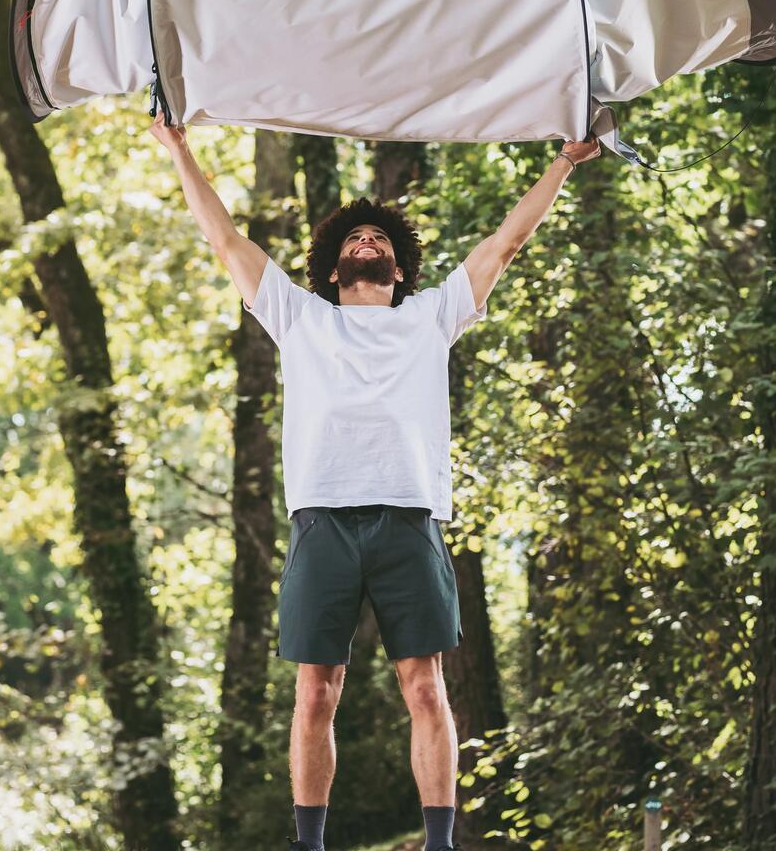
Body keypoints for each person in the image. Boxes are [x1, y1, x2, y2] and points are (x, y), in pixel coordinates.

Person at [150, 115, 601, 851]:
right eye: (357, 240)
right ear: (333, 267)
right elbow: (225, 240)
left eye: (382, 242)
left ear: (399, 270)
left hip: (407, 522)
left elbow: (505, 244)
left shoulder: (430, 317)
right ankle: (310, 844)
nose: (369, 243)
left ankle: (441, 843)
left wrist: (565, 163)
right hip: (322, 523)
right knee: (314, 692)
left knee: (425, 688)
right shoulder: (299, 316)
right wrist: (180, 150)